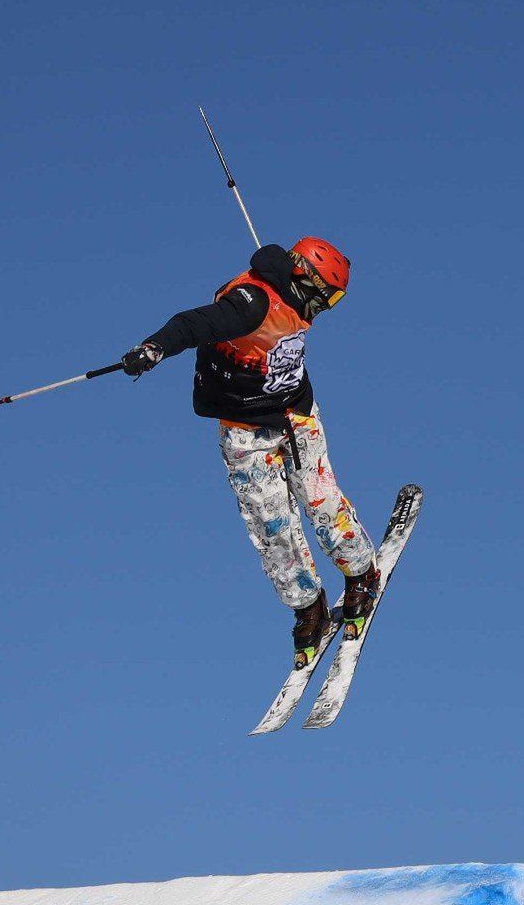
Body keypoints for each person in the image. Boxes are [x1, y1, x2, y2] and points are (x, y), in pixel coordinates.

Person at [120, 237, 378, 669]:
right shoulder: (251, 305)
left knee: (320, 500)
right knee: (271, 524)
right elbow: (191, 324)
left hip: (294, 416)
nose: (326, 308)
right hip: (244, 431)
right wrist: (154, 348)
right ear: (305, 280)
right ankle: (308, 605)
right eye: (327, 297)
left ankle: (360, 572)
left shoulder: (292, 301)